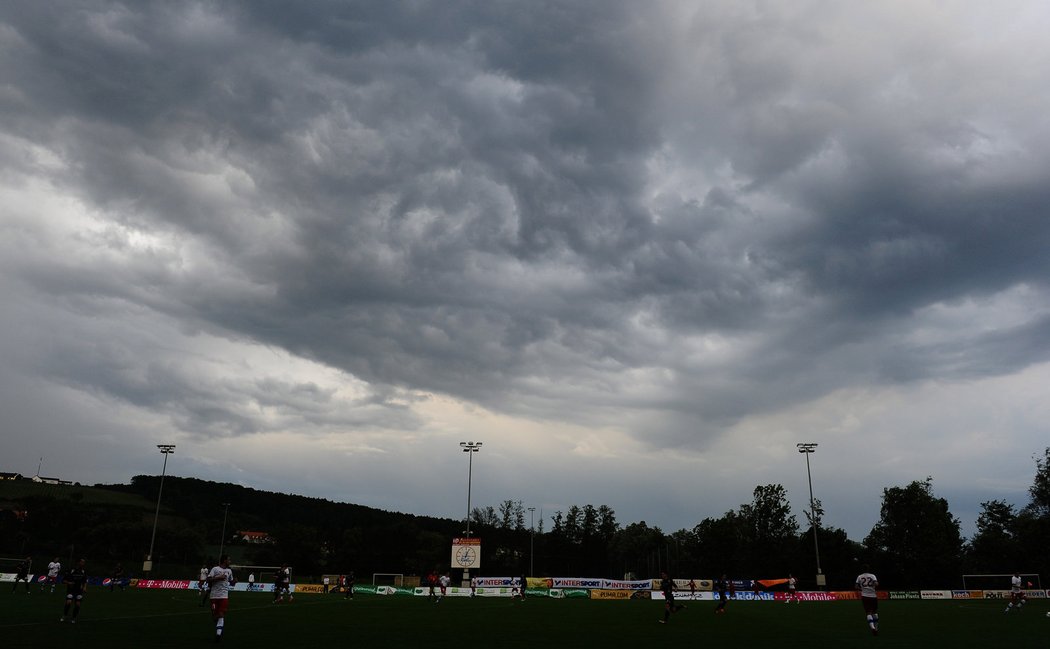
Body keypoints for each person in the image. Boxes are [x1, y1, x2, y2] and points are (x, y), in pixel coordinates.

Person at [207, 554, 234, 642]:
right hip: (214, 595)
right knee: (215, 616)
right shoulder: (215, 569)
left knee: (221, 613)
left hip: (224, 595)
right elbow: (208, 580)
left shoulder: (229, 571)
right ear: (224, 561)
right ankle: (219, 628)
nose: (230, 561)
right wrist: (219, 577)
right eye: (229, 560)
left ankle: (218, 634)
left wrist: (235, 582)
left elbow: (231, 582)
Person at [60, 558, 87, 623]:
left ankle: (74, 618)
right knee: (68, 602)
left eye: (84, 562)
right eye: (82, 562)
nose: (83, 563)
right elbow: (63, 580)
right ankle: (64, 615)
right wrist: (69, 583)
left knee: (78, 604)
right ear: (78, 562)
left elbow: (85, 581)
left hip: (79, 590)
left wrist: (85, 587)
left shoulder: (83, 571)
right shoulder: (71, 570)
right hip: (71, 590)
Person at [855, 566, 879, 636]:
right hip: (873, 596)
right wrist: (874, 585)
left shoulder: (859, 576)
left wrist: (862, 589)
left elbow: (856, 586)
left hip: (864, 596)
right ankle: (876, 627)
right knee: (874, 612)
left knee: (868, 612)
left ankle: (872, 628)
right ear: (868, 570)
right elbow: (876, 584)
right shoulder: (872, 576)